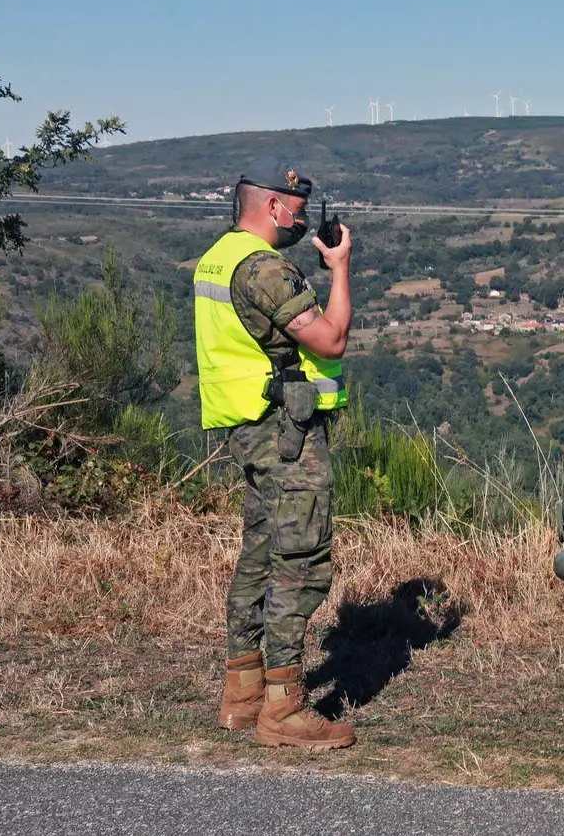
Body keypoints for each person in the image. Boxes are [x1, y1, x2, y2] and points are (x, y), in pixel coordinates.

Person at [196, 158, 356, 750]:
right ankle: (283, 707)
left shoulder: (218, 258)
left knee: (259, 554)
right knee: (300, 559)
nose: (300, 220)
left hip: (245, 427)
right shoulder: (263, 267)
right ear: (271, 205)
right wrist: (339, 269)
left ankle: (242, 694)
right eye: (296, 210)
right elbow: (330, 338)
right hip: (282, 431)